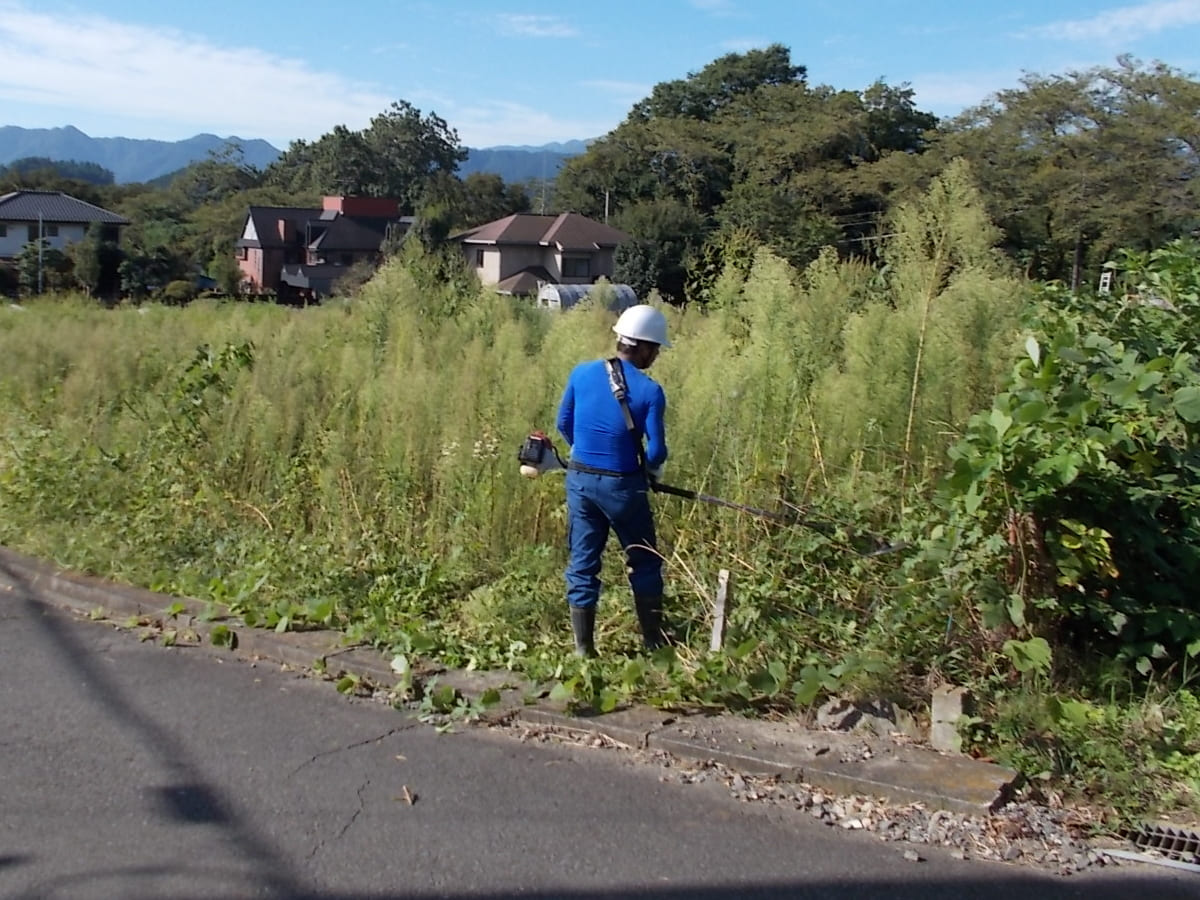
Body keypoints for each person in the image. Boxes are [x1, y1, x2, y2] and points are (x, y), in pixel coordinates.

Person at [555, 304, 671, 657]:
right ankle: (653, 643)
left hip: (580, 481)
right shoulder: (650, 391)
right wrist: (649, 471)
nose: (657, 355)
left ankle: (584, 650)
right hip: (622, 487)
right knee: (644, 561)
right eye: (656, 348)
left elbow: (563, 423)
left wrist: (587, 455)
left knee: (583, 564)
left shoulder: (581, 373)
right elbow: (657, 451)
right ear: (643, 347)